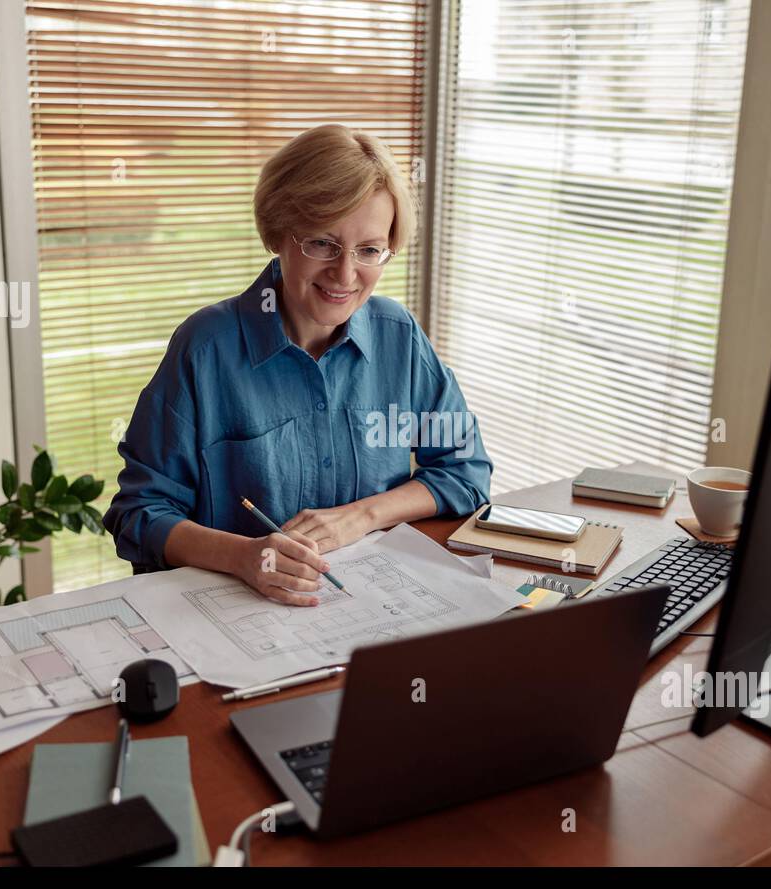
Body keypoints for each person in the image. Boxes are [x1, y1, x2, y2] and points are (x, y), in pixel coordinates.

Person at [103, 124, 492, 606]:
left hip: (372, 607)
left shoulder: (399, 335)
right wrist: (246, 556)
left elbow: (464, 471)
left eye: (369, 250)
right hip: (239, 615)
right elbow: (140, 512)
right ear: (278, 235)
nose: (345, 274)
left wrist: (362, 515)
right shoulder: (205, 348)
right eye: (322, 244)